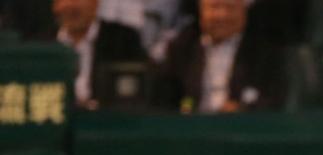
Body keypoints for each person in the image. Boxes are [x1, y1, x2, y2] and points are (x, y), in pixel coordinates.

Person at [153, 0, 287, 113]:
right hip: (190, 130)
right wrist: (186, 109)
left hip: (242, 130)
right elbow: (166, 100)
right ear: (201, 11)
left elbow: (273, 100)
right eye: (214, 7)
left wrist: (241, 109)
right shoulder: (181, 48)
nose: (222, 15)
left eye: (230, 8)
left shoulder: (264, 53)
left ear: (244, 12)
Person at [49, 0, 147, 109]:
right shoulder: (43, 43)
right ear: (55, 6)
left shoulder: (125, 39)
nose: (72, 5)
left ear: (96, 3)